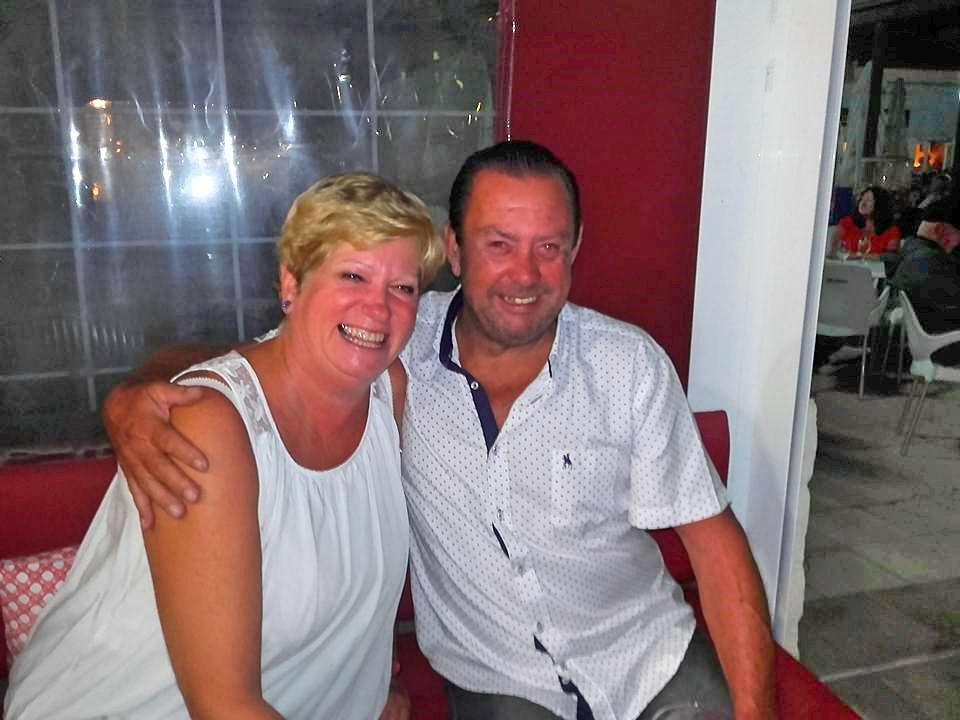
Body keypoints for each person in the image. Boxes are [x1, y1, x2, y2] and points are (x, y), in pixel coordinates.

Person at [102, 141, 776, 720]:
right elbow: (262, 363)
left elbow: (715, 545)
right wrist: (136, 395)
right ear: (455, 249)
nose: (525, 275)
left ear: (575, 249)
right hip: (500, 680)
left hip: (646, 656)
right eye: (498, 245)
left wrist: (756, 713)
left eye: (548, 247)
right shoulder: (392, 347)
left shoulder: (627, 365)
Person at [4, 173, 445, 719]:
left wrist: (371, 684)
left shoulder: (387, 394)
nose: (378, 308)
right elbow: (222, 706)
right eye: (352, 275)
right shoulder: (209, 427)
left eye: (402, 288)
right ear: (291, 283)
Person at [889, 191, 960, 366]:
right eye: (958, 236)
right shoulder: (935, 263)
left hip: (923, 343)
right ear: (940, 230)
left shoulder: (910, 253)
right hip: (944, 347)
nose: (957, 243)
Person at [833, 185, 900, 256]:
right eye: (861, 199)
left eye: (868, 200)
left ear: (880, 204)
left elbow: (891, 257)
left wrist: (859, 257)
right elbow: (834, 252)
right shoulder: (846, 223)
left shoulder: (891, 230)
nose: (863, 203)